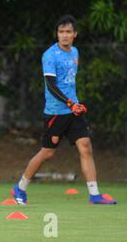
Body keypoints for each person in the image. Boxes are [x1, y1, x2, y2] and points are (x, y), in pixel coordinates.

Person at [11, 15, 117, 205]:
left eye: (68, 32)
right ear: (57, 34)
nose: (65, 35)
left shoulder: (75, 52)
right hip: (55, 112)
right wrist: (69, 103)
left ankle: (94, 195)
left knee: (85, 146)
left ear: (75, 34)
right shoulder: (50, 55)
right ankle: (20, 187)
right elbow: (51, 86)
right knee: (48, 153)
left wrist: (73, 105)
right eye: (61, 32)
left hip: (73, 111)